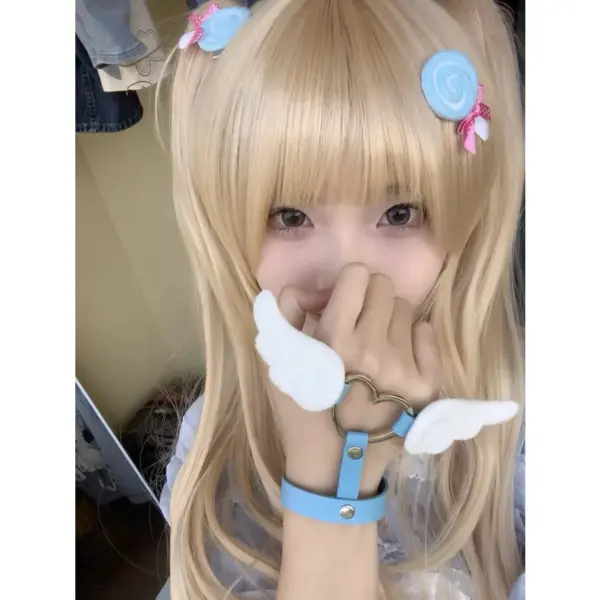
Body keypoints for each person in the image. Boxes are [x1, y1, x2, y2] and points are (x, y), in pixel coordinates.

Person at [160, 0, 525, 598]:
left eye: (400, 213)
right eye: (290, 215)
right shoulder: (210, 446)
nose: (348, 272)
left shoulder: (524, 425)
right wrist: (331, 479)